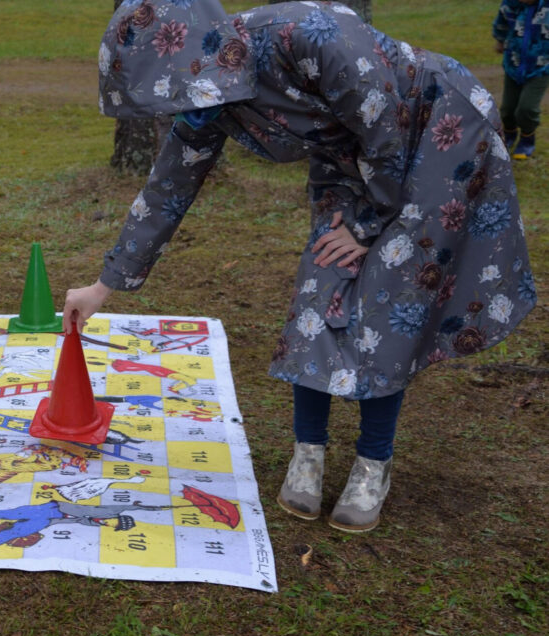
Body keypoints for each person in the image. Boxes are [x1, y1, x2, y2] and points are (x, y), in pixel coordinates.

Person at [64, 0, 537, 532]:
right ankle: (308, 453)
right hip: (351, 158)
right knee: (319, 293)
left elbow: (386, 130)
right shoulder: (207, 95)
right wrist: (102, 287)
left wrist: (366, 227)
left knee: (391, 297)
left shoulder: (310, 36)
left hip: (435, 134)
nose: (178, 106)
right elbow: (167, 188)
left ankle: (373, 464)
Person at [493, 0, 549, 159]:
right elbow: (501, 23)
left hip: (541, 68)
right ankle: (509, 135)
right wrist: (500, 40)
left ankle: (527, 138)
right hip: (513, 64)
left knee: (526, 109)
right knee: (507, 110)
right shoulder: (510, 4)